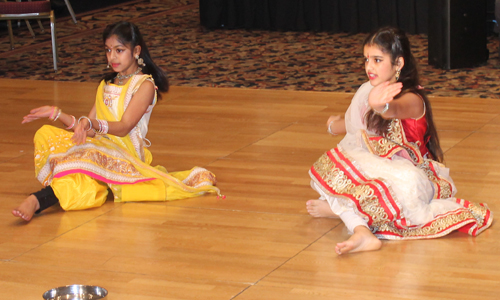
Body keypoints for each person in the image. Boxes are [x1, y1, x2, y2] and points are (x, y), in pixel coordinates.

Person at [306, 27, 493, 255]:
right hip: (380, 162)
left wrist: (379, 105)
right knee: (333, 166)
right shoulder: (369, 90)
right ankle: (361, 231)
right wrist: (333, 125)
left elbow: (391, 110)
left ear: (398, 64)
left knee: (376, 187)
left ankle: (344, 211)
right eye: (366, 60)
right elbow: (358, 125)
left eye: (377, 60)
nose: (369, 67)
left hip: (410, 175)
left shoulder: (412, 99)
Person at [12, 21, 220, 222]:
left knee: (85, 161)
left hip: (125, 153)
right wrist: (56, 114)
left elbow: (123, 128)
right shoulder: (106, 84)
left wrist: (91, 125)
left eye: (119, 50)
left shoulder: (144, 85)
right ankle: (43, 198)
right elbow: (88, 129)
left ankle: (35, 200)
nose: (112, 56)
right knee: (49, 136)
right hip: (99, 146)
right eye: (108, 50)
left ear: (136, 51)